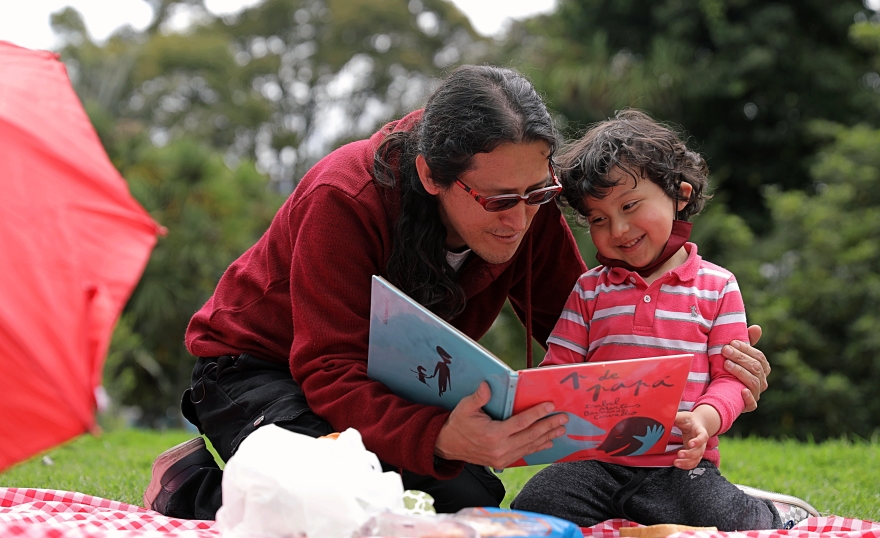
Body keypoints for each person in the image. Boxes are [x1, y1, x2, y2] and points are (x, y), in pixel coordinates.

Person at [142, 66, 773, 521]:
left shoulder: (528, 198)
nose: (519, 221)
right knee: (330, 498)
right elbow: (327, 368)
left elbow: (584, 325)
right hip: (256, 370)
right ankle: (186, 488)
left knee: (467, 502)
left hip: (384, 383)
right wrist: (443, 437)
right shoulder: (346, 197)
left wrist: (704, 349)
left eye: (537, 196)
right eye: (498, 201)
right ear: (429, 174)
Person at [510, 110, 818, 530]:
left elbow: (731, 379)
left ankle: (775, 513)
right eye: (598, 219)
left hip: (680, 463)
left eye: (630, 206)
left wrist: (703, 422)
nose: (617, 229)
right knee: (532, 507)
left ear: (680, 195)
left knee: (727, 518)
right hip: (595, 463)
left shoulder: (718, 286)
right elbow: (559, 372)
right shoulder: (589, 290)